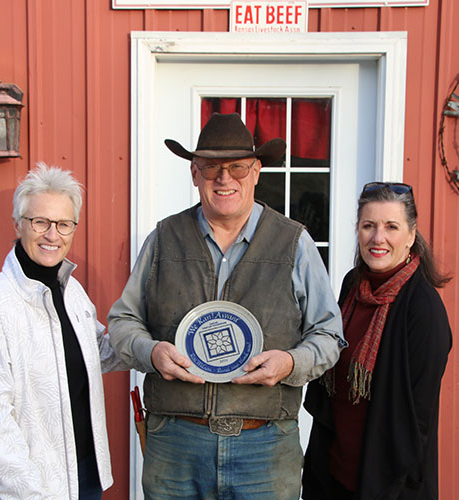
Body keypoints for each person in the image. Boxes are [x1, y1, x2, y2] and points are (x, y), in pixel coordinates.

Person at [108, 112, 345, 500]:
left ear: (256, 172)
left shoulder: (294, 243)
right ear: (194, 173)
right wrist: (151, 352)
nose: (224, 179)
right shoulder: (164, 239)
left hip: (265, 444)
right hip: (175, 442)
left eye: (237, 167)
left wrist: (290, 363)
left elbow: (329, 334)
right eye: (212, 168)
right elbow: (122, 321)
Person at [0, 163, 128, 500]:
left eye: (64, 224)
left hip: (83, 476)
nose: (53, 235)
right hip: (26, 489)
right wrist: (28, 493)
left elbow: (97, 354)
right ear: (18, 224)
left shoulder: (72, 291)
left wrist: (151, 343)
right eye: (41, 222)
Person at [302, 182, 452, 500]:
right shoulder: (352, 286)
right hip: (334, 474)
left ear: (411, 236)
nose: (377, 238)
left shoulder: (423, 309)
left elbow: (417, 423)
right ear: (358, 230)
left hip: (387, 484)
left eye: (391, 227)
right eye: (368, 225)